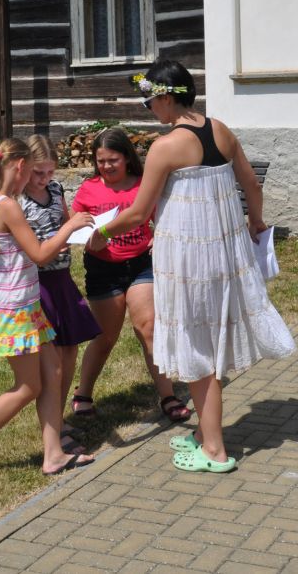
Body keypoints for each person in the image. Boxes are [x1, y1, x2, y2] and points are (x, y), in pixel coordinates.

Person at [87, 61, 295, 472]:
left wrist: (103, 232)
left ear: (166, 97)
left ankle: (214, 449)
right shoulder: (221, 130)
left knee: (198, 350)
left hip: (187, 259)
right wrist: (255, 221)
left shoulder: (166, 147)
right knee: (210, 344)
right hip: (225, 255)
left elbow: (139, 212)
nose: (149, 110)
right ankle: (205, 432)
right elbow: (251, 184)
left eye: (149, 102)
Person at [0, 137, 96, 480]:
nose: (32, 180)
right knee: (28, 386)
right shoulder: (7, 206)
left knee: (53, 371)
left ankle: (53, 454)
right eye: (30, 172)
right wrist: (69, 227)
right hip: (15, 310)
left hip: (26, 305)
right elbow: (40, 255)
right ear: (19, 166)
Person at [70, 128, 193, 425]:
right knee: (105, 337)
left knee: (148, 327)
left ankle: (167, 395)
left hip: (140, 264)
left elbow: (164, 216)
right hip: (103, 269)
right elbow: (74, 223)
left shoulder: (142, 184)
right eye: (100, 161)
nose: (106, 166)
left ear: (126, 157)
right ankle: (83, 394)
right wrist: (83, 235)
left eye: (112, 160)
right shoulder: (88, 189)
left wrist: (158, 236)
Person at [20, 134, 102, 453]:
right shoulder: (16, 200)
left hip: (61, 278)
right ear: (24, 167)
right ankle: (51, 427)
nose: (44, 179)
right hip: (36, 282)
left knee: (69, 352)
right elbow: (31, 248)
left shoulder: (55, 190)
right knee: (50, 362)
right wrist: (61, 237)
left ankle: (56, 416)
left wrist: (83, 235)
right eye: (38, 172)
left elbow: (67, 224)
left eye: (50, 172)